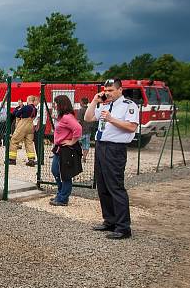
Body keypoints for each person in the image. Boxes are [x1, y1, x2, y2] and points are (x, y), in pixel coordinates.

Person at [84, 78, 139, 240]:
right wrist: (95, 101)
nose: (107, 93)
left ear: (120, 90)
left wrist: (111, 119)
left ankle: (123, 227)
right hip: (101, 146)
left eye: (111, 90)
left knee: (115, 186)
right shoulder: (105, 104)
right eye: (105, 90)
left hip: (115, 148)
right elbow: (88, 118)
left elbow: (131, 127)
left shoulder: (129, 105)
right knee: (102, 186)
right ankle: (110, 220)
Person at [50, 95, 82, 207]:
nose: (54, 105)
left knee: (65, 174)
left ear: (61, 104)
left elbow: (78, 128)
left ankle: (63, 198)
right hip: (59, 148)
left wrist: (72, 141)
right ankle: (60, 194)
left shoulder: (67, 117)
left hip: (65, 149)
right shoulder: (62, 117)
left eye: (56, 103)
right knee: (55, 171)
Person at [8, 96, 37, 166]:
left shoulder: (26, 107)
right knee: (29, 143)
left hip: (23, 125)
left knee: (14, 140)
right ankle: (31, 160)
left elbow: (17, 114)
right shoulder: (35, 109)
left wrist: (19, 111)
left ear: (29, 100)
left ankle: (12, 159)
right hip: (31, 125)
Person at [79, 97, 95, 161]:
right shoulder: (90, 109)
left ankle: (77, 156)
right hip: (88, 130)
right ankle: (84, 157)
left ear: (82, 102)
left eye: (80, 102)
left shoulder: (81, 110)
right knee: (86, 145)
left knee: (76, 144)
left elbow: (79, 121)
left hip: (81, 131)